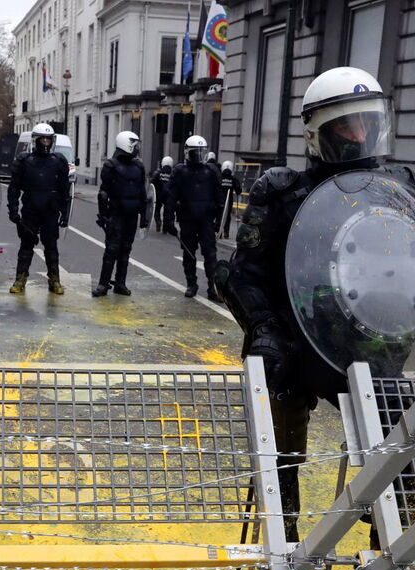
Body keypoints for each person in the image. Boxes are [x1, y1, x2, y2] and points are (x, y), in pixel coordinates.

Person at [217, 67, 401, 540]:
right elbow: (244, 274)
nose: (360, 136)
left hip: (365, 339)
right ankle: (281, 539)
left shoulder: (394, 193)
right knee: (279, 443)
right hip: (295, 338)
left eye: (366, 123)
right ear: (318, 132)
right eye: (346, 126)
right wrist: (263, 328)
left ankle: (397, 550)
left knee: (400, 445)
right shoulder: (282, 193)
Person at [6, 122, 71, 295]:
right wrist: (13, 209)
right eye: (42, 140)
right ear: (35, 140)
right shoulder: (24, 161)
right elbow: (14, 187)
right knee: (26, 246)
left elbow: (65, 190)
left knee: (51, 247)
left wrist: (65, 213)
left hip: (51, 209)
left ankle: (54, 280)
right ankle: (20, 279)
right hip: (30, 209)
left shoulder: (58, 161)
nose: (45, 143)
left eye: (48, 140)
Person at [93, 131, 147, 297]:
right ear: (126, 144)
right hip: (116, 213)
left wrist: (144, 217)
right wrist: (104, 216)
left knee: (126, 249)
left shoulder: (139, 167)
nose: (137, 149)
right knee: (112, 249)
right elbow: (103, 193)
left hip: (132, 214)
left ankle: (120, 283)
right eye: (134, 145)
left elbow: (143, 193)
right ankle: (103, 284)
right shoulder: (111, 165)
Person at [167, 135, 221, 301]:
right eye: (195, 152)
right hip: (187, 217)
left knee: (210, 254)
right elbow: (171, 196)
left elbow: (219, 198)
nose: (198, 155)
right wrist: (168, 219)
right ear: (187, 152)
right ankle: (191, 283)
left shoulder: (211, 171)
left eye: (201, 151)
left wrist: (219, 220)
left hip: (206, 219)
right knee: (189, 253)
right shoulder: (180, 171)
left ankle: (213, 287)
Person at [150, 156, 175, 234]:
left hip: (159, 194)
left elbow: (152, 182)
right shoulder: (173, 173)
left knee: (157, 210)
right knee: (167, 212)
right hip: (169, 195)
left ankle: (158, 221)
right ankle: (165, 228)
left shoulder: (158, 172)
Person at [218, 161, 242, 239]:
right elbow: (238, 191)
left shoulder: (219, 177)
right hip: (229, 201)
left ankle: (219, 231)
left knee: (219, 215)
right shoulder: (233, 179)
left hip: (220, 200)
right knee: (227, 216)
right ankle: (226, 233)